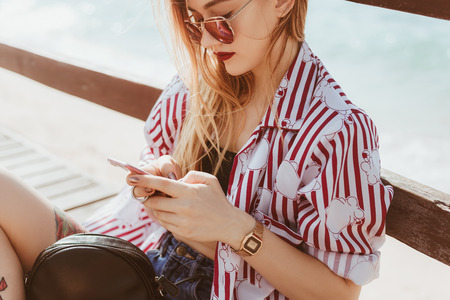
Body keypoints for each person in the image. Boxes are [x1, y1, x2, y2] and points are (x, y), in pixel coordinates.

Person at [0, 0, 394, 299]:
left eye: (221, 19)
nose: (206, 39)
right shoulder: (195, 89)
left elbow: (339, 292)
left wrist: (234, 227)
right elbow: (157, 206)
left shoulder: (334, 129)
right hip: (141, 263)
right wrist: (160, 181)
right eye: (196, 20)